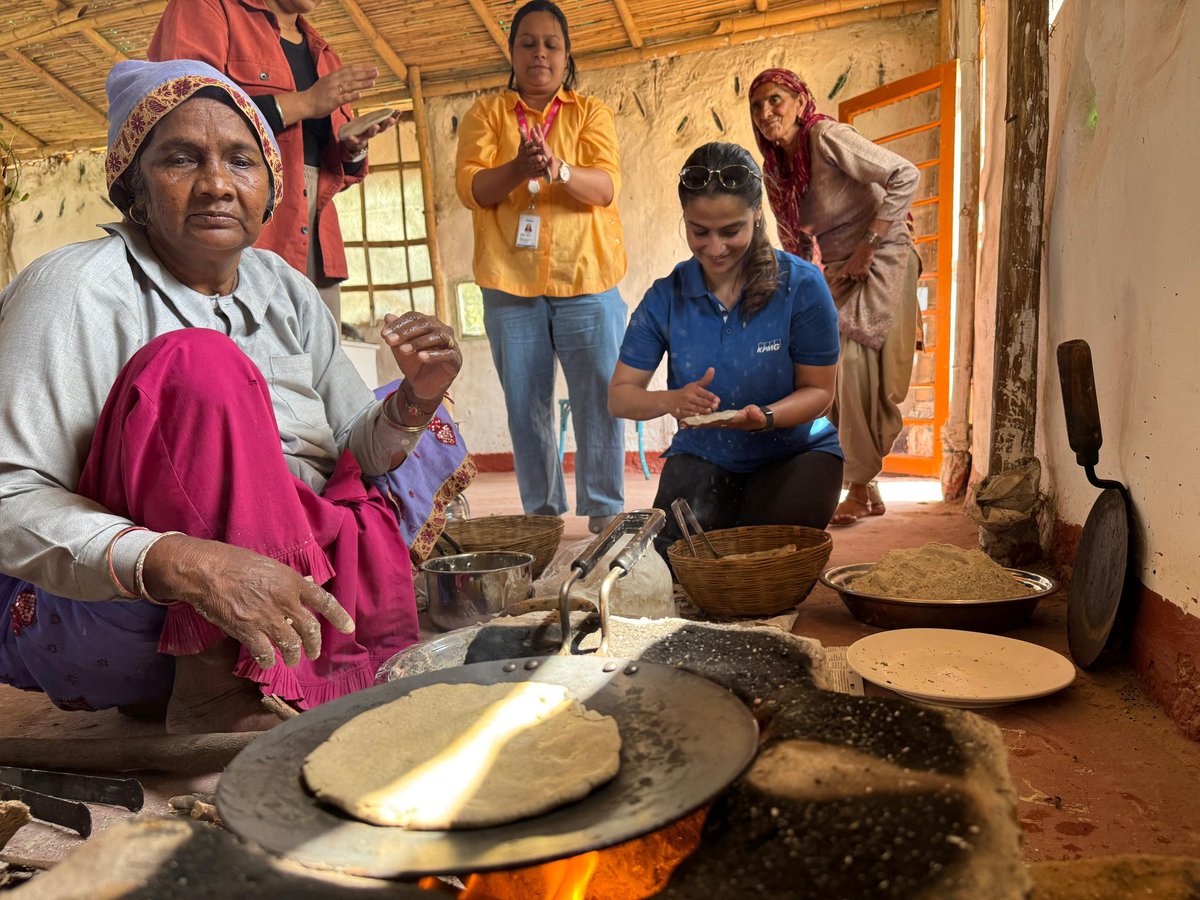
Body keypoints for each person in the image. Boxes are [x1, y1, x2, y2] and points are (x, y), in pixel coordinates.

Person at [0, 60, 473, 734]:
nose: (217, 184)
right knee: (199, 366)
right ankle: (209, 689)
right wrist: (185, 563)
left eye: (242, 160)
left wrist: (416, 400)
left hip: (284, 584)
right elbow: (8, 495)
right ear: (134, 186)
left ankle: (296, 664)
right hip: (128, 604)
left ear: (270, 188)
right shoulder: (75, 289)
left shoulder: (283, 286)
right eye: (181, 159)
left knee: (418, 423)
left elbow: (353, 449)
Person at [609, 142, 843, 560]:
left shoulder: (802, 285)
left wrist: (765, 417)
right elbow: (620, 395)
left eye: (730, 231)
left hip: (794, 454)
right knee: (679, 562)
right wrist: (670, 401)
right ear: (685, 219)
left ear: (756, 214)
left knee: (763, 559)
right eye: (700, 231)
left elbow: (820, 392)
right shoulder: (667, 296)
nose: (714, 248)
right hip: (703, 455)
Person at [455, 0, 627, 535]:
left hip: (588, 278)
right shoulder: (487, 115)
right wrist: (518, 167)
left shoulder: (590, 113)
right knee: (528, 411)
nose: (539, 53)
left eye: (551, 43)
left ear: (566, 54)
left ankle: (605, 520)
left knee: (601, 400)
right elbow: (472, 188)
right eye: (527, 43)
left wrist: (559, 167)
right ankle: (542, 523)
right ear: (512, 52)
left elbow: (605, 187)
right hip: (511, 287)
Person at [149, 0, 401, 326]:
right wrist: (305, 102)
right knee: (235, 353)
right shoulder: (207, 7)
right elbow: (181, 107)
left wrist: (353, 148)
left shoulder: (325, 56)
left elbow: (334, 172)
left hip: (314, 230)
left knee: (315, 356)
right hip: (234, 212)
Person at [749, 68, 921, 525]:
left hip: (884, 253)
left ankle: (860, 486)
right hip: (841, 269)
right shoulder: (776, 172)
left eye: (776, 99)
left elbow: (906, 174)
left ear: (801, 101)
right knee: (826, 373)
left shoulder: (826, 136)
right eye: (757, 105)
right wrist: (798, 297)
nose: (767, 112)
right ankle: (867, 484)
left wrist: (868, 242)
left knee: (857, 367)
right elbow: (795, 244)